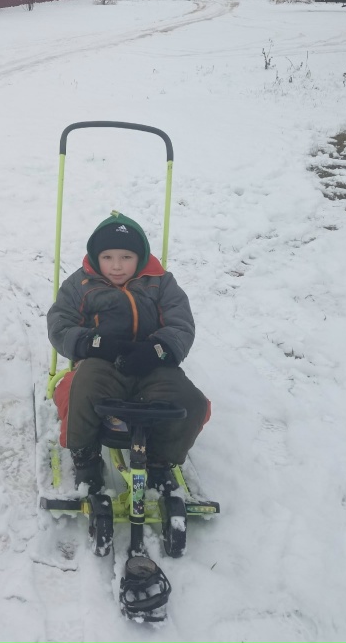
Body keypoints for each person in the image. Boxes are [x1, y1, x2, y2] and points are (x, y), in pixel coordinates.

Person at [47, 211, 210, 495]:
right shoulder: (80, 284)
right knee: (79, 390)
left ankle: (160, 460)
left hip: (154, 364)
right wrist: (91, 343)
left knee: (191, 402)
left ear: (140, 257)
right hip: (101, 362)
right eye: (108, 257)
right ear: (96, 257)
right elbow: (60, 324)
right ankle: (85, 457)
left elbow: (181, 323)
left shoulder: (160, 282)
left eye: (126, 257)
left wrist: (158, 349)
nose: (117, 266)